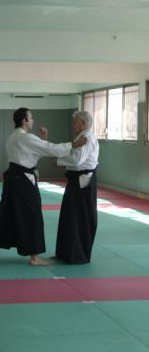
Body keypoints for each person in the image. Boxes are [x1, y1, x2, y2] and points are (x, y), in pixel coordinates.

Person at [0, 107, 87, 266]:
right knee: (32, 214)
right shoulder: (26, 137)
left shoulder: (14, 136)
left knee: (5, 213)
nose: (33, 120)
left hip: (12, 178)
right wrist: (75, 144)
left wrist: (42, 139)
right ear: (24, 120)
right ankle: (34, 257)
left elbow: (35, 152)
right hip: (23, 180)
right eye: (31, 117)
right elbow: (52, 149)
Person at [54, 110, 99, 263]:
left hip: (83, 182)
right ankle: (65, 253)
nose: (72, 125)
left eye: (75, 122)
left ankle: (77, 255)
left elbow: (77, 160)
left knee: (79, 217)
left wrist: (58, 162)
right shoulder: (80, 137)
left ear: (83, 124)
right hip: (76, 180)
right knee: (69, 216)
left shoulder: (87, 138)